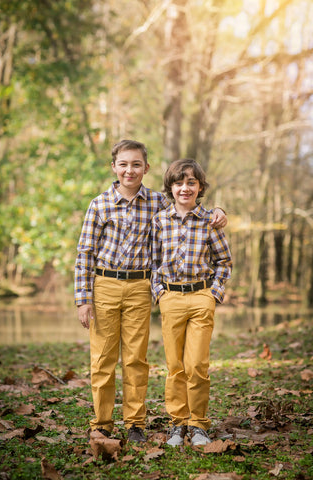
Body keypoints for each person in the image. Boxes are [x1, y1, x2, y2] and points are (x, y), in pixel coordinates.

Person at [74, 140, 227, 443]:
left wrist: (218, 211)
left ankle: (135, 424)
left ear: (146, 168)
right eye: (123, 164)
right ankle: (102, 423)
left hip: (141, 288)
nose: (129, 170)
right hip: (104, 284)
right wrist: (83, 300)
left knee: (136, 359)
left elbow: (189, 207)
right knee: (102, 360)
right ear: (114, 167)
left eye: (136, 164)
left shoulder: (158, 202)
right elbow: (85, 254)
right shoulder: (99, 204)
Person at [151, 158, 232, 447]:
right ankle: (178, 424)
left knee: (196, 364)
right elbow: (154, 261)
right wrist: (159, 291)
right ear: (170, 187)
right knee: (175, 366)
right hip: (170, 297)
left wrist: (215, 293)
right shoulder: (159, 220)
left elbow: (223, 261)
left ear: (200, 187)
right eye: (179, 182)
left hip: (201, 297)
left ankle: (198, 424)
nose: (185, 188)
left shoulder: (210, 220)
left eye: (191, 183)